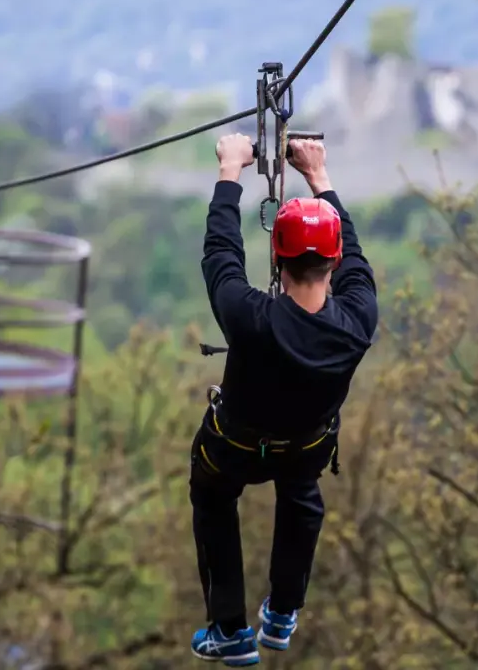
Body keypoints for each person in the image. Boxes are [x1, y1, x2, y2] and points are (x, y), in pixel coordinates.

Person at [188, 134, 378, 665]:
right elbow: (357, 261)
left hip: (235, 445)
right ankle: (283, 611)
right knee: (301, 493)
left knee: (213, 496)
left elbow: (221, 255)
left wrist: (231, 171)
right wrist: (319, 176)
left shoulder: (251, 320)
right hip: (308, 443)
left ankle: (230, 628)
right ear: (334, 261)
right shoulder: (357, 322)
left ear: (277, 254)